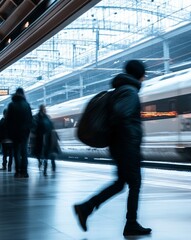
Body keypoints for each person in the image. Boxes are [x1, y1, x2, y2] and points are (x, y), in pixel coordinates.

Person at [73, 60, 151, 236]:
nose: (144, 78)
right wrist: (132, 139)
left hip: (120, 144)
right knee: (135, 183)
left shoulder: (119, 90)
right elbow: (122, 115)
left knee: (120, 183)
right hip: (126, 145)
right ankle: (130, 223)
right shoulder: (130, 92)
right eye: (144, 74)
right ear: (138, 74)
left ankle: (86, 208)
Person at [6, 87, 33, 178]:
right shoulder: (27, 105)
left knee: (16, 152)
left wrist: (9, 131)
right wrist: (28, 130)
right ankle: (24, 172)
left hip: (14, 132)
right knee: (24, 152)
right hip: (25, 132)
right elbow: (31, 120)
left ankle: (17, 172)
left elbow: (7, 120)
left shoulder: (11, 105)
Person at [32, 104, 60, 176]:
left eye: (45, 109)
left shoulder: (47, 117)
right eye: (44, 109)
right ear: (41, 109)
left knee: (47, 153)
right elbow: (34, 128)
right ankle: (42, 164)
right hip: (40, 138)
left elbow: (52, 127)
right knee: (41, 153)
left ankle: (47, 168)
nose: (45, 110)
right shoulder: (37, 117)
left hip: (48, 138)